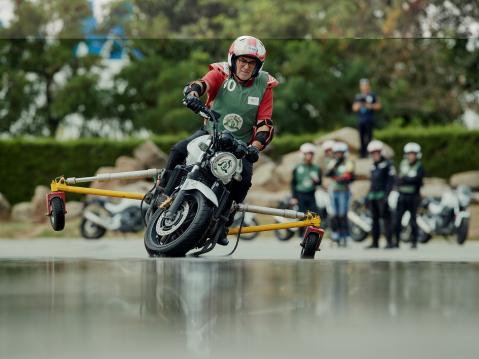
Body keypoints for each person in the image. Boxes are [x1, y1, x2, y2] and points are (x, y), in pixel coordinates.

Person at [161, 35, 279, 245]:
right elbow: (202, 84)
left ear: (258, 66)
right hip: (210, 133)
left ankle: (223, 224)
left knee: (243, 181)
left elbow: (265, 124)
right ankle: (163, 192)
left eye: (252, 63)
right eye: (242, 61)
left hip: (240, 146)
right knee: (178, 150)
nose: (246, 66)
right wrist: (192, 95)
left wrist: (254, 147)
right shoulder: (221, 72)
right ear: (233, 60)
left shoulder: (265, 85)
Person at [365, 140, 396, 249]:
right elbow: (372, 183)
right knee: (374, 219)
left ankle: (389, 241)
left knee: (386, 219)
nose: (374, 155)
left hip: (383, 195)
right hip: (374, 195)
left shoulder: (388, 165)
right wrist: (368, 196)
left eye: (376, 153)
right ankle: (375, 242)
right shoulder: (373, 166)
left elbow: (391, 181)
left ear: (380, 152)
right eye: (372, 153)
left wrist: (387, 195)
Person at [395, 142, 424, 249]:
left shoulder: (419, 166)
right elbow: (398, 179)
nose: (411, 156)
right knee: (397, 219)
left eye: (413, 154)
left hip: (413, 195)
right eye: (409, 153)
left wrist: (406, 179)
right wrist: (408, 179)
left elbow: (417, 180)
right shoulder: (403, 164)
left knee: (413, 219)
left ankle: (414, 241)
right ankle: (396, 241)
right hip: (402, 195)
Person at [325, 142, 355, 247]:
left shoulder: (348, 163)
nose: (338, 155)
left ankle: (344, 236)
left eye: (340, 153)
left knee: (343, 214)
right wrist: (335, 167)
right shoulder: (333, 162)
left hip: (344, 191)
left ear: (344, 153)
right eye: (337, 153)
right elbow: (327, 173)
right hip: (334, 191)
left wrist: (339, 177)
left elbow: (348, 176)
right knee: (334, 214)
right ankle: (335, 235)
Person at [291, 143, 321, 219]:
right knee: (302, 216)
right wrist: (294, 197)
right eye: (307, 154)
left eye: (311, 154)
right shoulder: (297, 168)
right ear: (303, 154)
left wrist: (316, 181)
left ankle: (312, 231)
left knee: (314, 216)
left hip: (311, 194)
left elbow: (319, 183)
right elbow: (293, 183)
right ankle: (301, 231)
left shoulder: (316, 168)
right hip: (300, 195)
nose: (310, 156)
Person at [352, 79, 381, 158]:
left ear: (369, 86)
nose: (365, 87)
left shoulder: (372, 95)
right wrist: (360, 105)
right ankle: (362, 154)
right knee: (361, 138)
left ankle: (369, 152)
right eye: (363, 85)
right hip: (361, 121)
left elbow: (378, 106)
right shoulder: (358, 96)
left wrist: (369, 106)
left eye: (366, 85)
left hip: (369, 120)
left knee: (369, 137)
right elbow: (354, 108)